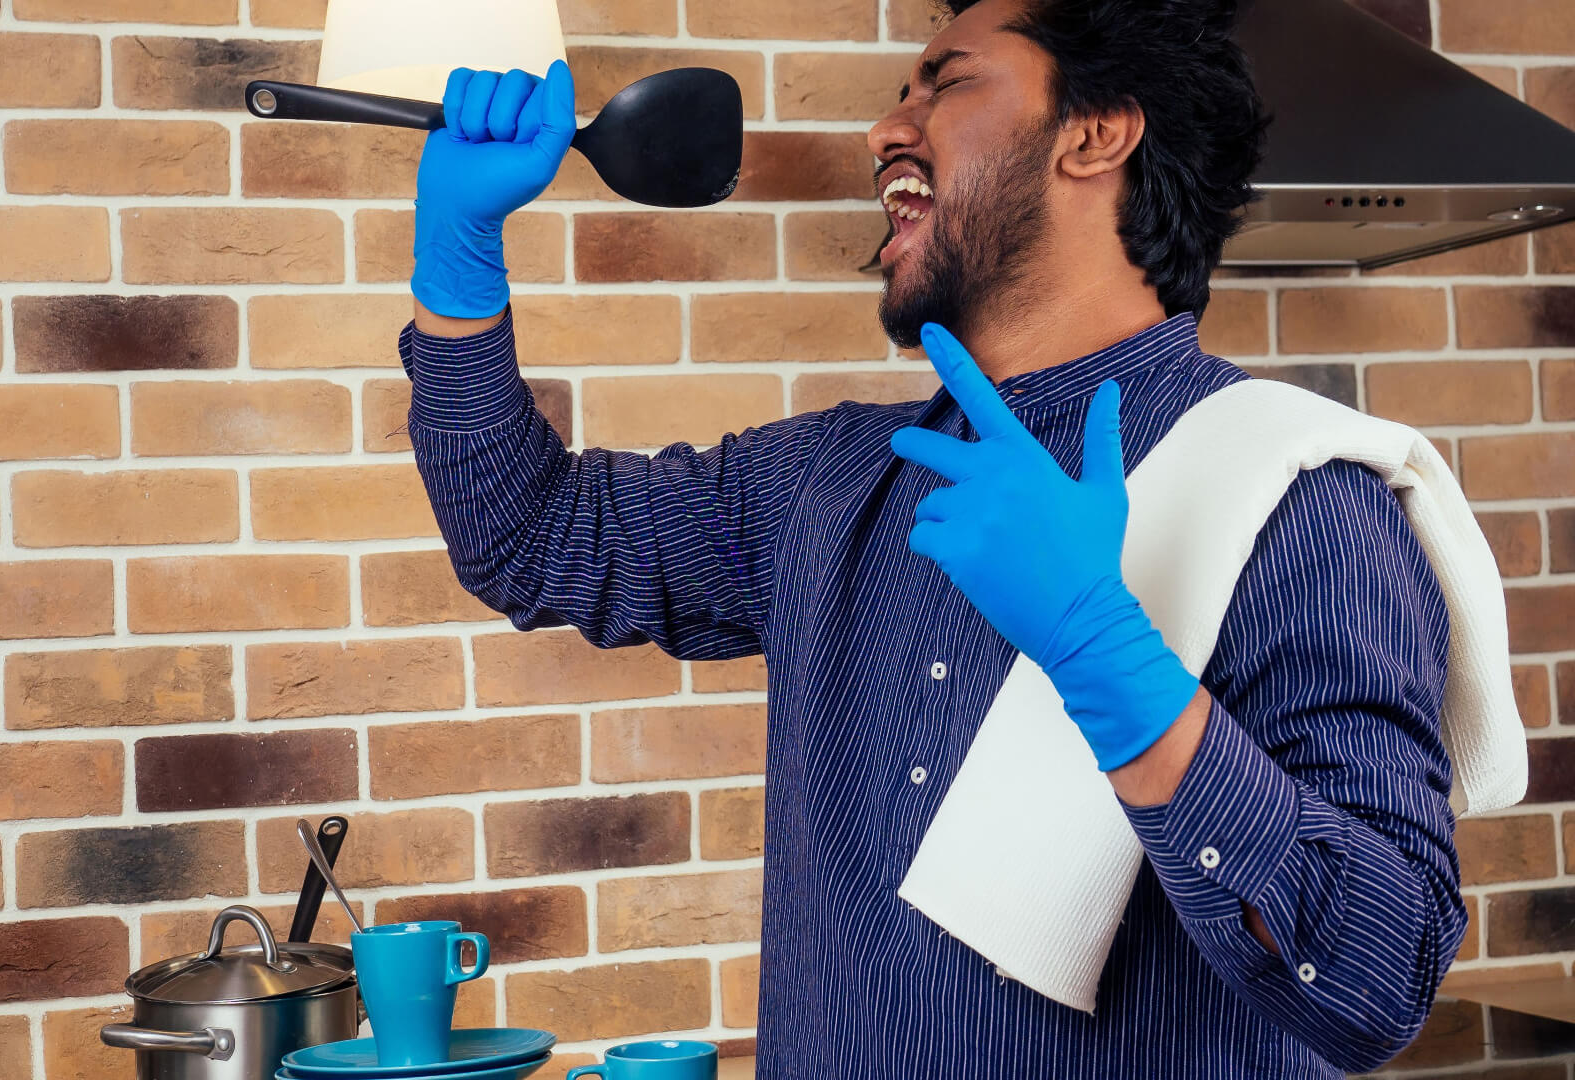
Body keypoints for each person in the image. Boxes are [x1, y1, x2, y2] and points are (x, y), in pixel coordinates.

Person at [397, 0, 1466, 1075]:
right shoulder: (828, 483)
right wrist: (459, 265)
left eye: (945, 83)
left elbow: (1379, 979)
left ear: (1096, 132)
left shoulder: (1300, 500)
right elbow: (529, 537)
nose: (884, 131)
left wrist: (1108, 655)